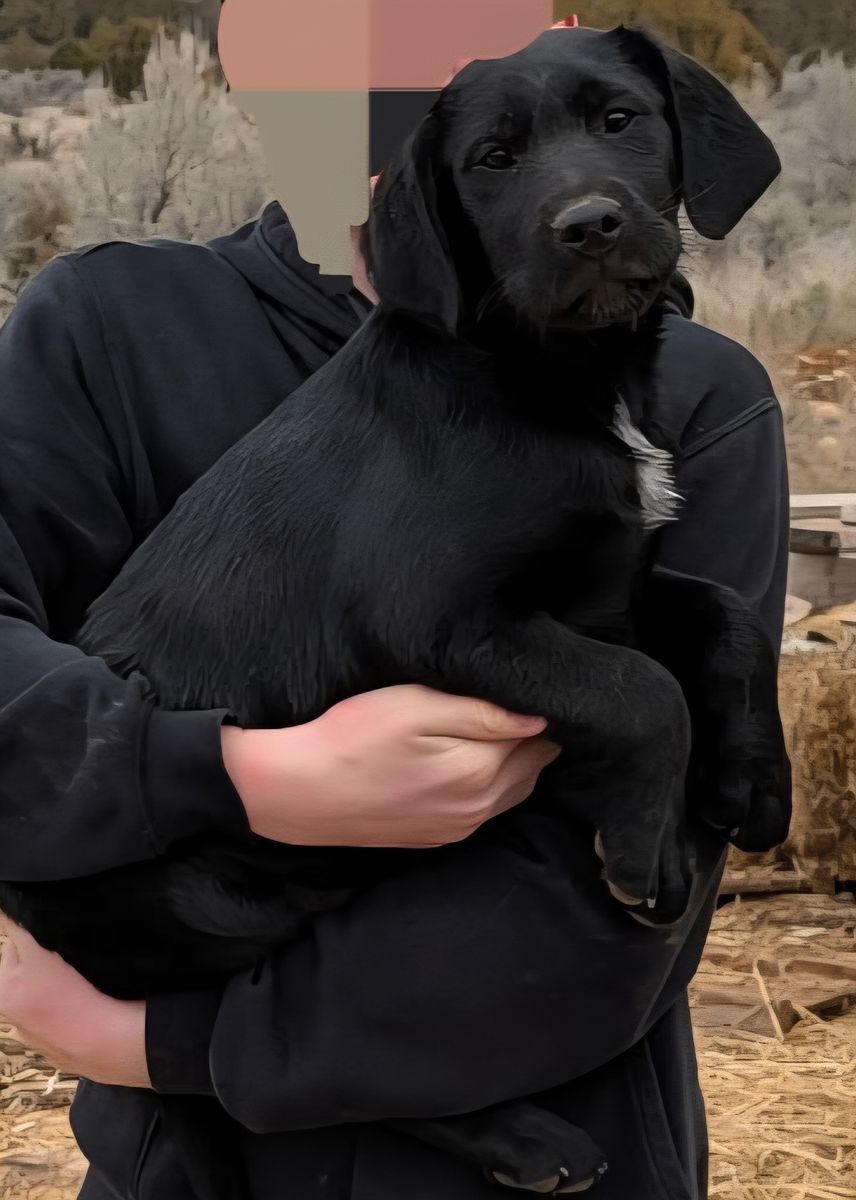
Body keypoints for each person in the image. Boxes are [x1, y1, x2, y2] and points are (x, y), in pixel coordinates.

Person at [0, 27, 789, 1200]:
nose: (575, 192)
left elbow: (612, 916)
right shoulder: (112, 329)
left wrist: (170, 1049)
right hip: (185, 998)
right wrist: (231, 774)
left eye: (616, 121)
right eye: (495, 156)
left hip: (568, 1115)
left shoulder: (709, 397)